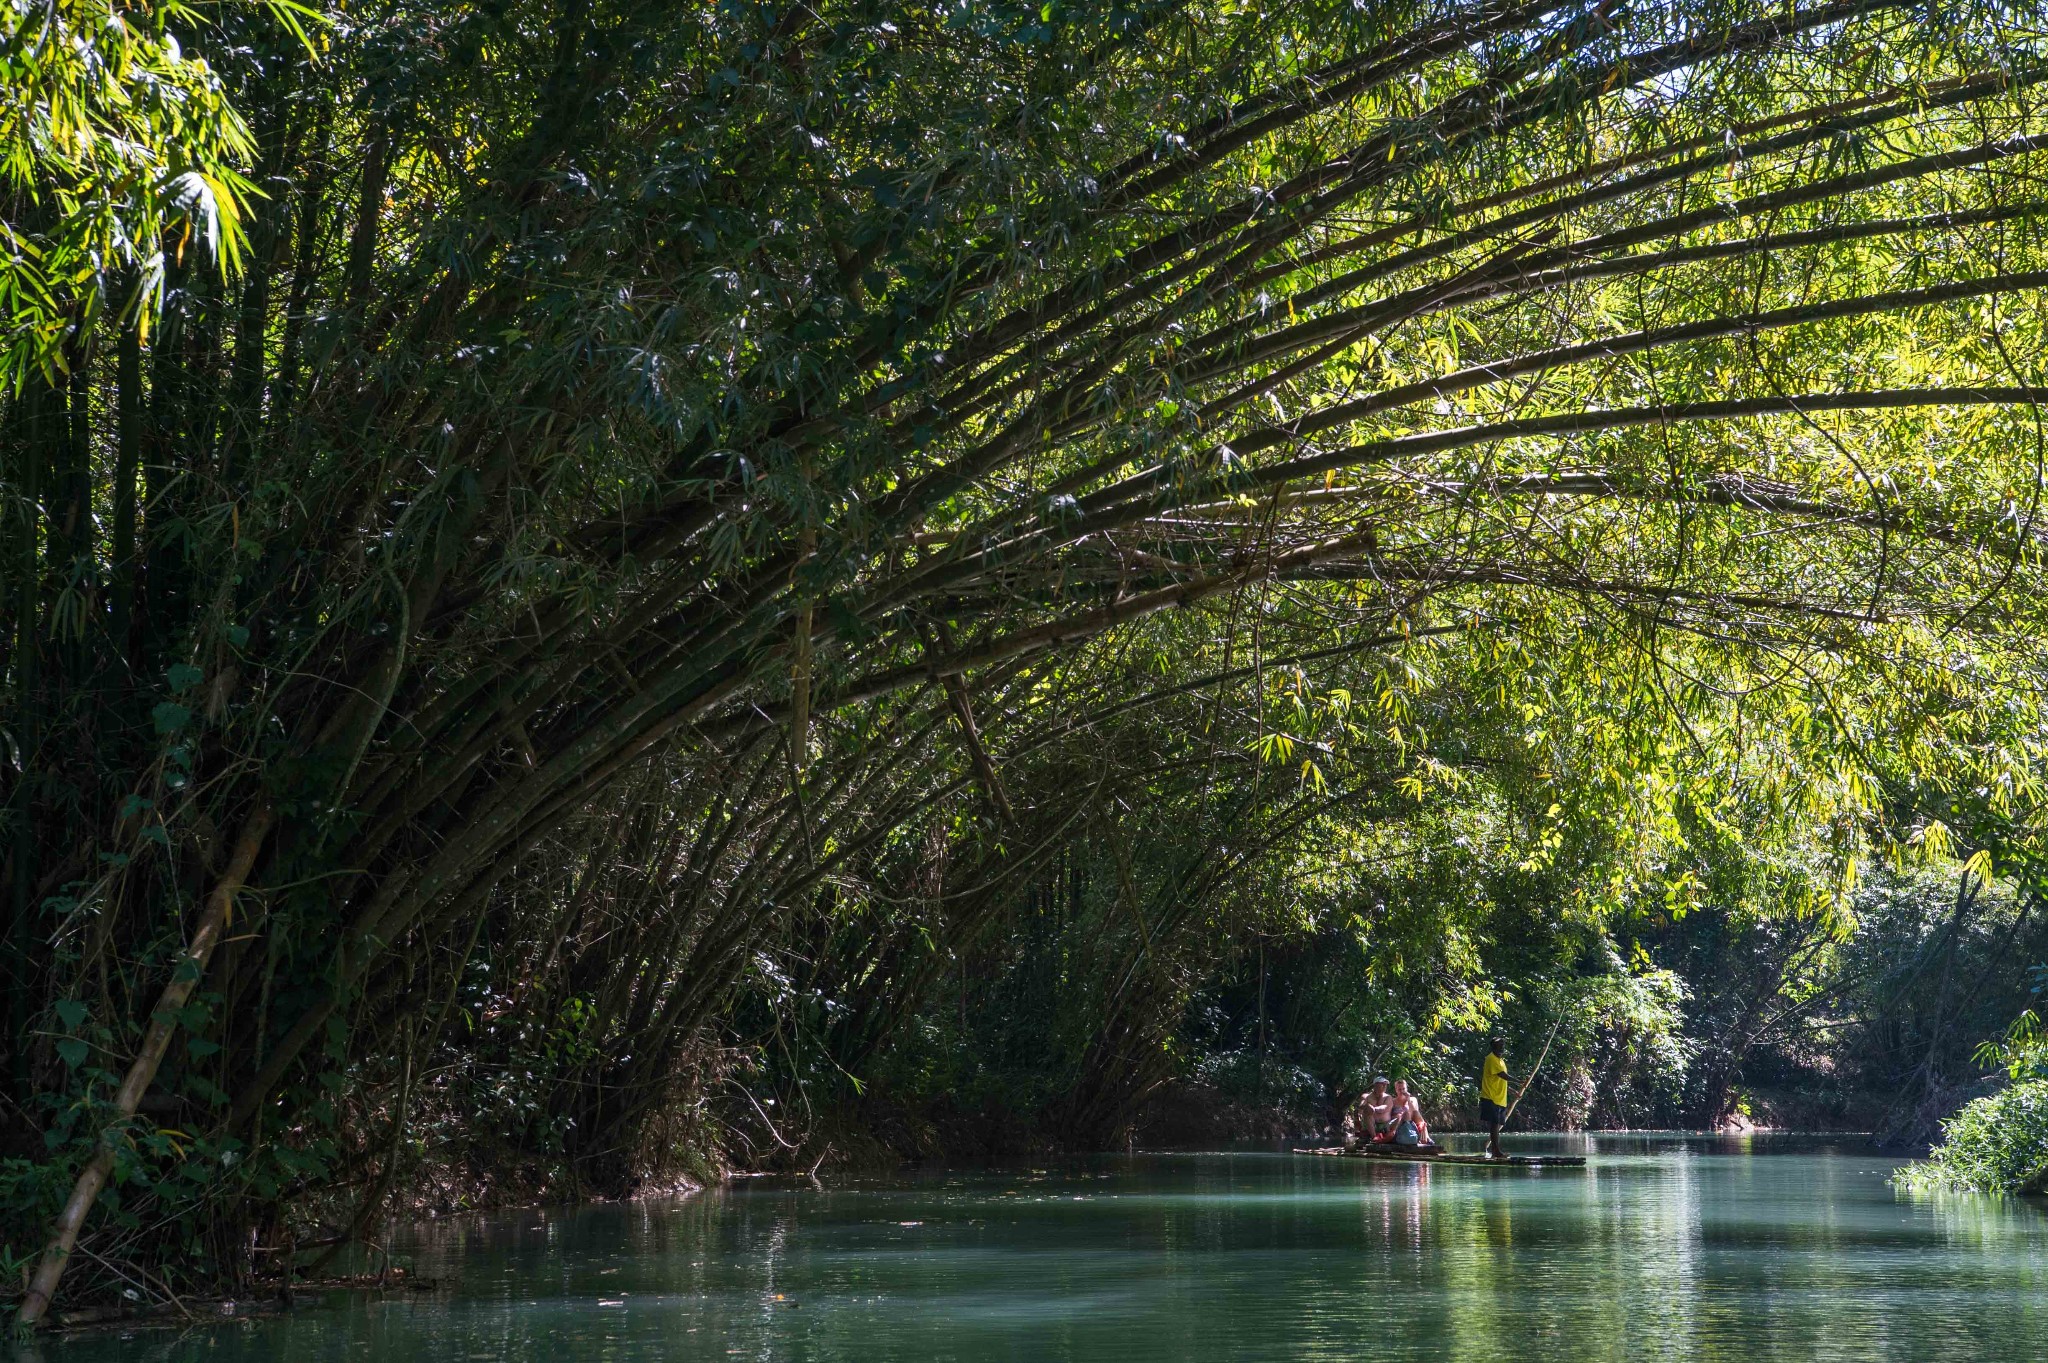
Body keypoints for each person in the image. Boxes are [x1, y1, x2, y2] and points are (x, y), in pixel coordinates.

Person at [1480, 1036, 1510, 1160]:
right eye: (1499, 1046)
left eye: (1503, 1045)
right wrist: (1519, 1081)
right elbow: (1502, 1075)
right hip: (1491, 1097)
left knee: (1496, 1125)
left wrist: (1513, 1090)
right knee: (1494, 1124)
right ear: (1493, 1047)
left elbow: (1499, 1080)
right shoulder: (1491, 1059)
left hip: (1500, 1098)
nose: (1502, 1048)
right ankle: (1496, 1151)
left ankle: (1495, 1150)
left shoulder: (1501, 1061)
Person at [1387, 1079, 1434, 1149]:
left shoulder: (1413, 1099)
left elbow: (1414, 1114)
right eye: (1399, 1089)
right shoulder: (1392, 1101)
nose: (1402, 1091)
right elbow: (1389, 1117)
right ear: (1396, 1090)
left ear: (1406, 1089)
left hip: (1410, 1122)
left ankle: (1426, 1137)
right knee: (1405, 1114)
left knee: (1415, 1113)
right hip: (1398, 1124)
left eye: (1403, 1089)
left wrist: (1408, 1100)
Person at [1354, 1076, 1396, 1144]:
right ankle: (1375, 1137)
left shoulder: (1388, 1097)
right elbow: (1361, 1106)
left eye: (1386, 1084)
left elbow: (1384, 1108)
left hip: (1385, 1125)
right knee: (1367, 1111)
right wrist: (1367, 1106)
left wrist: (1374, 1108)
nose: (1385, 1086)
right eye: (1382, 1084)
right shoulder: (1366, 1096)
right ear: (1375, 1085)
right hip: (1370, 1124)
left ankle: (1384, 1136)